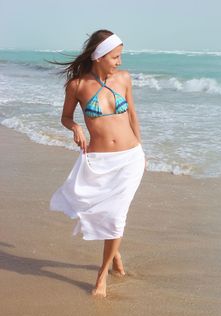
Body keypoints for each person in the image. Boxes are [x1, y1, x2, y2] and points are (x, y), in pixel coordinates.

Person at [48, 29, 146, 297]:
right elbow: (65, 117)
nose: (119, 62)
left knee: (116, 216)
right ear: (100, 56)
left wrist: (141, 150)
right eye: (115, 57)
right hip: (100, 161)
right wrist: (75, 127)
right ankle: (115, 254)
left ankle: (101, 276)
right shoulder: (77, 86)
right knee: (107, 215)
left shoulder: (124, 79)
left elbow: (133, 116)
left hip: (129, 159)